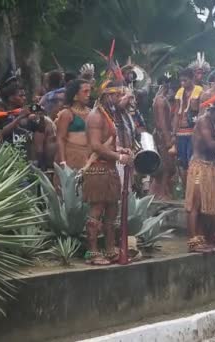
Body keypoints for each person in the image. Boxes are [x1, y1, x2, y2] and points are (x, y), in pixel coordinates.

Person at [83, 80, 133, 265]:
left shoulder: (107, 115)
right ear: (106, 96)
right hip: (98, 169)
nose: (119, 99)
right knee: (96, 211)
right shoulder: (96, 116)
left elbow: (108, 142)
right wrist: (119, 157)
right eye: (116, 95)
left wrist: (120, 150)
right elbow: (96, 145)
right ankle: (92, 253)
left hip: (109, 169)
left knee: (112, 212)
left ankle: (110, 249)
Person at [184, 94, 215, 252]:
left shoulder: (214, 123)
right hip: (200, 167)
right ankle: (194, 241)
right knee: (195, 205)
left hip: (210, 167)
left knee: (208, 205)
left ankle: (203, 236)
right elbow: (210, 144)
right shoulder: (204, 121)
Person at [172, 68, 203, 187]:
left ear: (192, 79)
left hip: (194, 132)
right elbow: (176, 114)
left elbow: (202, 112)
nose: (182, 83)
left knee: (193, 160)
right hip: (181, 131)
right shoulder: (180, 92)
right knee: (181, 162)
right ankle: (187, 190)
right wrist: (173, 133)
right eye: (181, 81)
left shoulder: (200, 91)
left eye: (185, 81)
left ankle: (194, 189)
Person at [55, 79, 92, 171]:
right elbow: (60, 138)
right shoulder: (67, 113)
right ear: (75, 95)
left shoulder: (92, 113)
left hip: (89, 157)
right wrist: (63, 161)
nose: (88, 94)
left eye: (89, 91)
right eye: (85, 91)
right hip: (71, 157)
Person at [150, 75, 176, 200]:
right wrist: (167, 139)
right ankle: (161, 193)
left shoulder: (159, 99)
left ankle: (158, 191)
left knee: (165, 165)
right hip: (162, 135)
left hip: (161, 134)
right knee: (166, 165)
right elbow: (161, 123)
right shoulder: (160, 100)